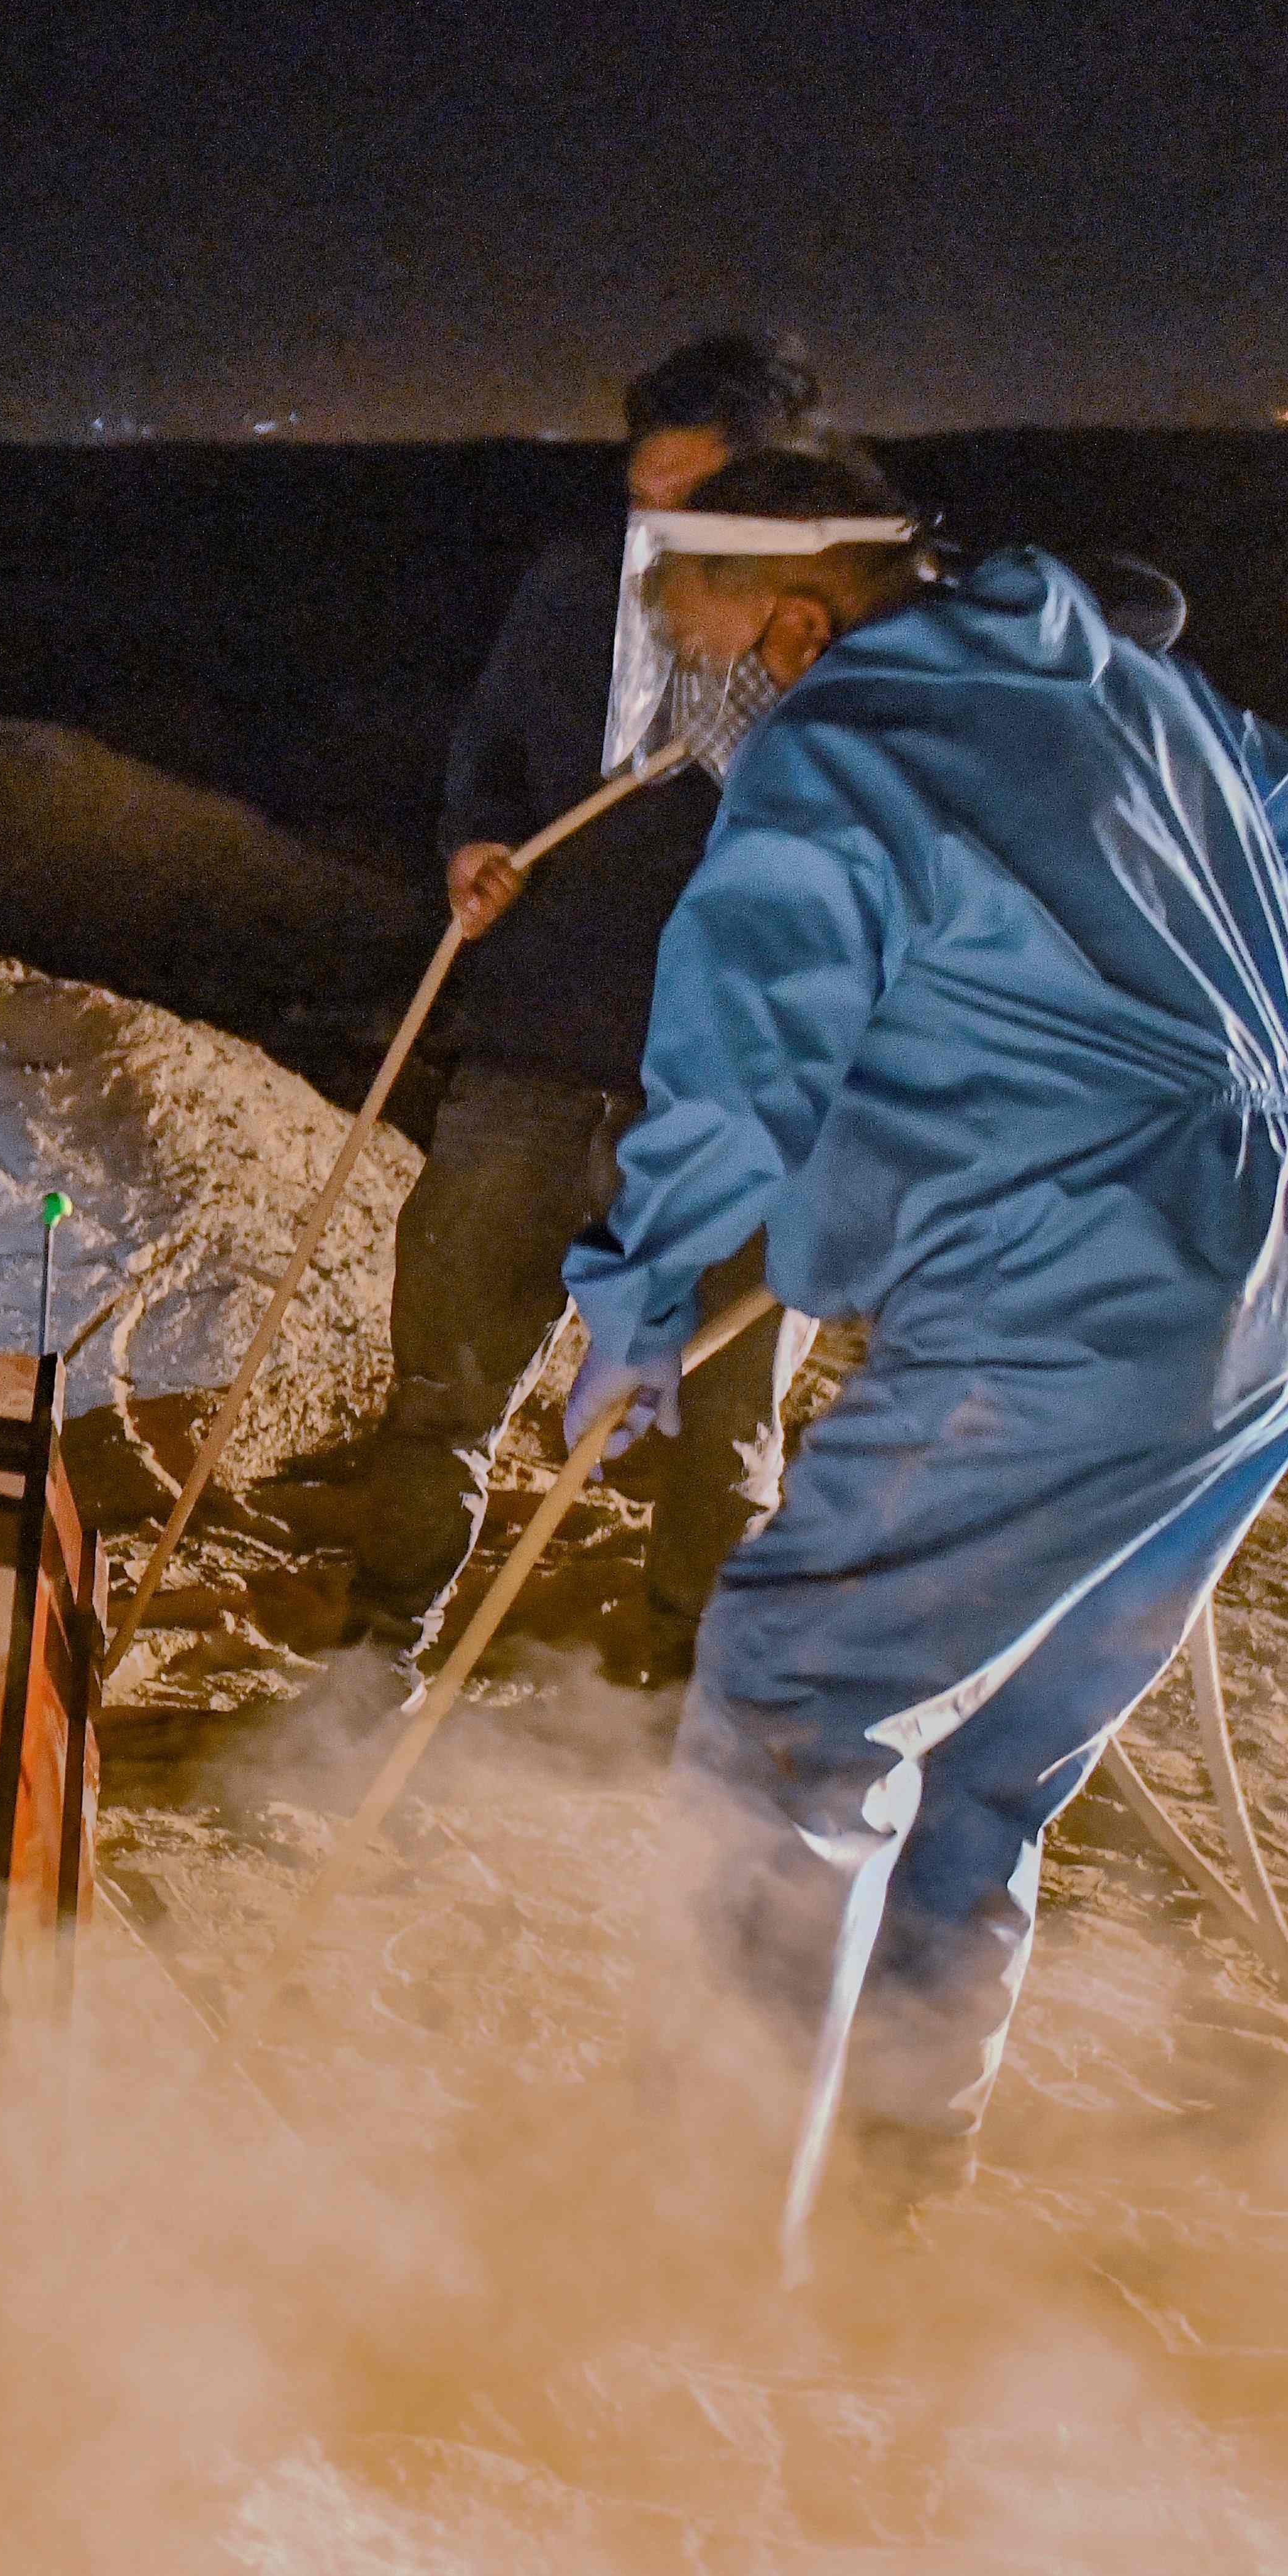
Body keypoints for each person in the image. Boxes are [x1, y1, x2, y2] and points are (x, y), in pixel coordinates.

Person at [560, 449, 1288, 2207]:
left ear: (792, 618)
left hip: (1081, 1280)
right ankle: (889, 2182)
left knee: (801, 1697)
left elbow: (735, 1064)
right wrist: (1168, 1021)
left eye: (691, 630)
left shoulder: (841, 735)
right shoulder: (1119, 676)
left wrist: (633, 1297)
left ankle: (688, 2247)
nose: (689, 676)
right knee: (990, 1751)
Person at [357, 334, 833, 1676]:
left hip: (740, 1096)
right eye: (647, 496)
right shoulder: (572, 593)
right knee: (440, 1385)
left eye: (696, 502)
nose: (659, 534)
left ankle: (688, 1695)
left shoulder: (845, 650)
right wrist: (475, 842)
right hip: (531, 1052)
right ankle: (376, 1652)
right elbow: (490, 756)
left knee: (725, 1428)